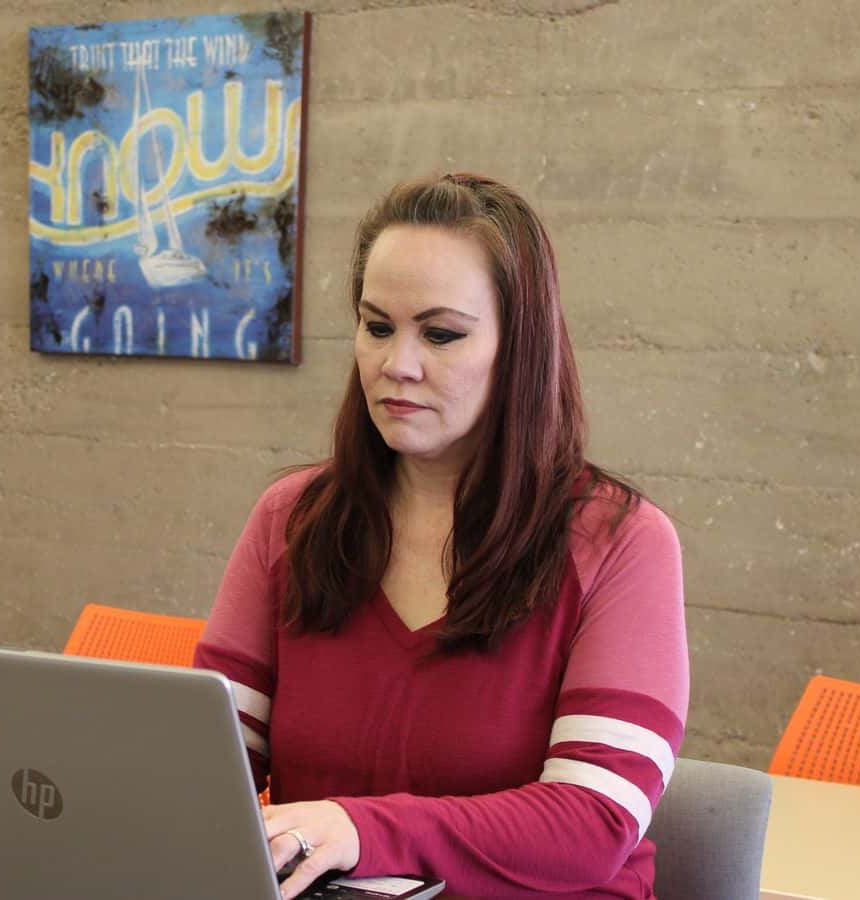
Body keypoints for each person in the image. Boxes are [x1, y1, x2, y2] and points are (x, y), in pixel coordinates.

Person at [194, 173, 688, 899]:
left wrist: (360, 830)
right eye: (377, 326)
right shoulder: (291, 519)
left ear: (520, 346)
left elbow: (593, 822)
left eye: (442, 333)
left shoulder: (621, 542)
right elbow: (209, 772)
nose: (398, 365)